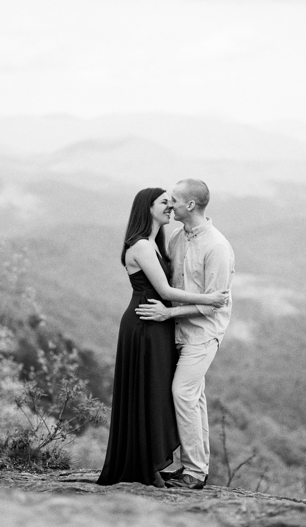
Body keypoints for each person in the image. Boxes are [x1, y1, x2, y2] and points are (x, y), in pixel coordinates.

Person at [97, 187, 229, 488]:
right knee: (163, 392)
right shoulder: (144, 246)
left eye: (172, 202)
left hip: (162, 324)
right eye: (164, 203)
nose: (170, 206)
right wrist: (210, 299)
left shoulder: (162, 242)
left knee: (160, 392)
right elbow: (167, 292)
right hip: (147, 323)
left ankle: (174, 466)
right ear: (148, 208)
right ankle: (156, 465)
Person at [135, 178, 235, 490]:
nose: (170, 204)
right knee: (195, 397)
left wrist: (168, 314)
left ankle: (193, 474)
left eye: (175, 200)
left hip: (202, 334)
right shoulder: (178, 238)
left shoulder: (217, 246)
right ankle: (195, 468)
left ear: (190, 205)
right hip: (176, 332)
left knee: (183, 393)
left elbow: (213, 305)